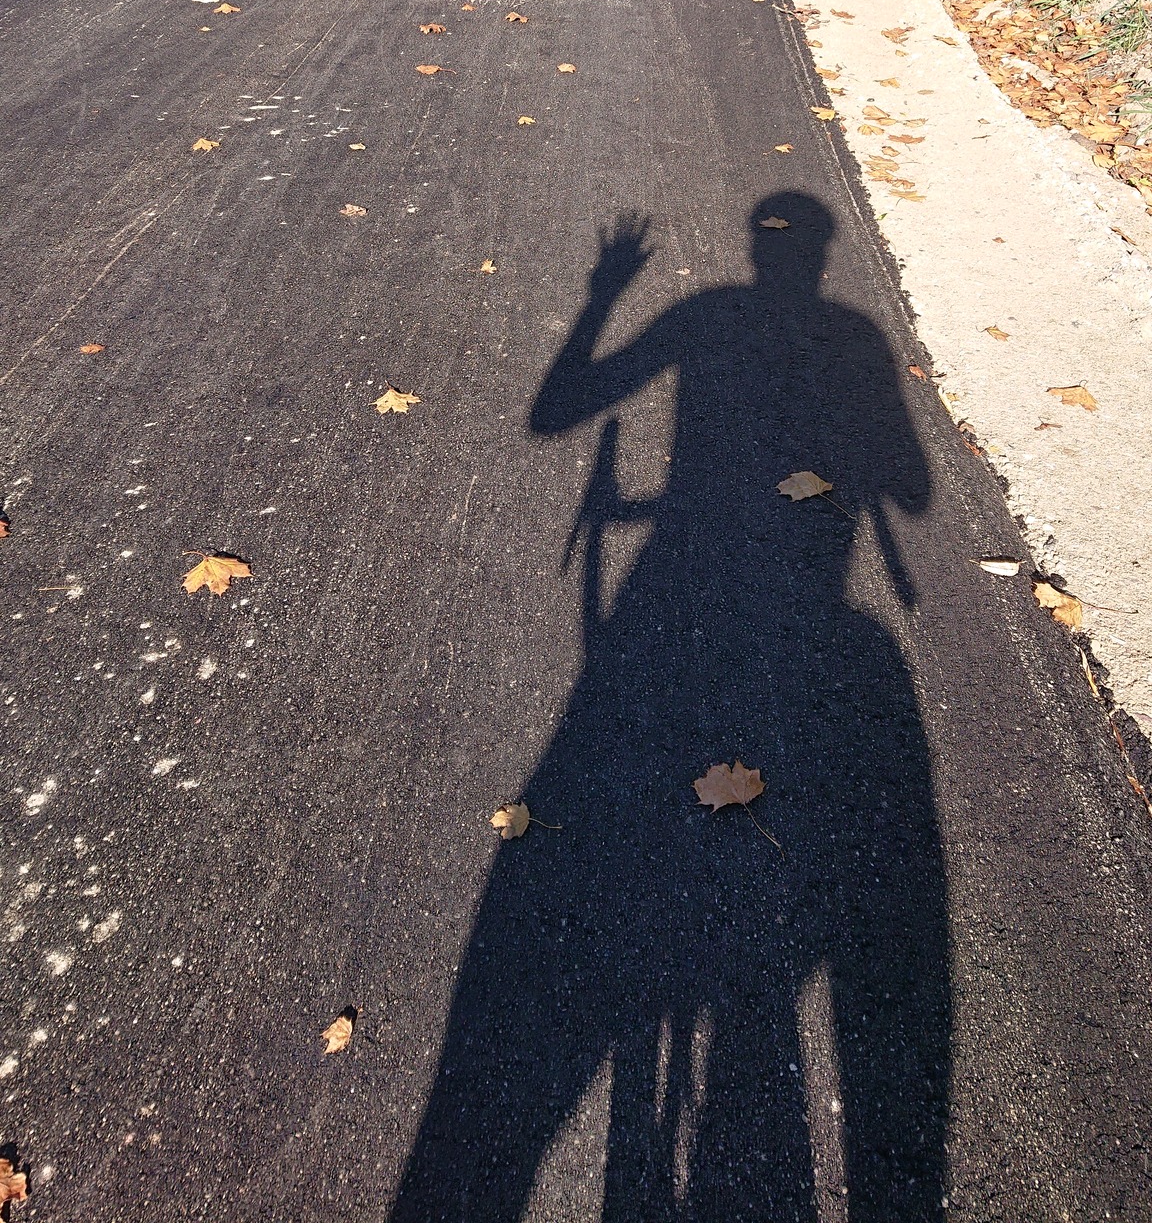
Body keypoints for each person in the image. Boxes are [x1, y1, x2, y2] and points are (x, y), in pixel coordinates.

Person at [391, 196, 950, 1221]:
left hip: (671, 574)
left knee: (594, 796)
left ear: (753, 247)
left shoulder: (700, 314)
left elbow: (556, 410)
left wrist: (602, 296)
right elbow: (910, 489)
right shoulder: (857, 333)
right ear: (826, 256)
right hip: (806, 588)